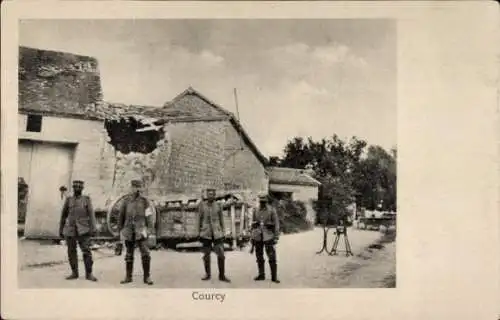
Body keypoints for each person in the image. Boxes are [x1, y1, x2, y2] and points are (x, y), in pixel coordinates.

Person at [58, 180, 98, 281]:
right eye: (75, 187)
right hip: (70, 229)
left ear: (82, 189)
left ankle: (89, 274)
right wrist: (61, 229)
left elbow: (91, 215)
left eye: (80, 187)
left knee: (86, 251)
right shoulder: (69, 200)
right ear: (73, 188)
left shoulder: (86, 199)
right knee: (71, 251)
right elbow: (63, 216)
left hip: (83, 229)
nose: (77, 189)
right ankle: (74, 273)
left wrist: (93, 229)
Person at [118, 179, 154, 285]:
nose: (136, 190)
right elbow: (121, 217)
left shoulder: (145, 201)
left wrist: (149, 230)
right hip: (128, 230)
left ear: (140, 189)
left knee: (145, 254)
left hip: (141, 230)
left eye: (138, 188)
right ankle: (128, 277)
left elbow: (149, 216)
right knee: (129, 254)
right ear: (131, 188)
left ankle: (147, 277)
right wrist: (120, 232)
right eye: (134, 187)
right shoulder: (126, 201)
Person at [198, 188, 230, 282]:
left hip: (217, 233)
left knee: (221, 254)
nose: (210, 196)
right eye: (209, 194)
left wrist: (223, 232)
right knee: (206, 255)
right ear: (206, 195)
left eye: (212, 194)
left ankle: (222, 275)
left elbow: (221, 220)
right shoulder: (202, 206)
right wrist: (199, 232)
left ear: (215, 196)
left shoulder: (218, 205)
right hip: (206, 233)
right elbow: (199, 219)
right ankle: (207, 274)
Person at [251, 194, 280, 283]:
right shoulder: (255, 210)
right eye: (261, 201)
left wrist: (276, 237)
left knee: (272, 257)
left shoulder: (272, 210)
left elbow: (276, 224)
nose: (262, 203)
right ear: (259, 201)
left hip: (269, 236)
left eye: (264, 201)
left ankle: (274, 277)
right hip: (258, 236)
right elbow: (252, 224)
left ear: (267, 201)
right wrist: (252, 235)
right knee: (259, 256)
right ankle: (261, 275)